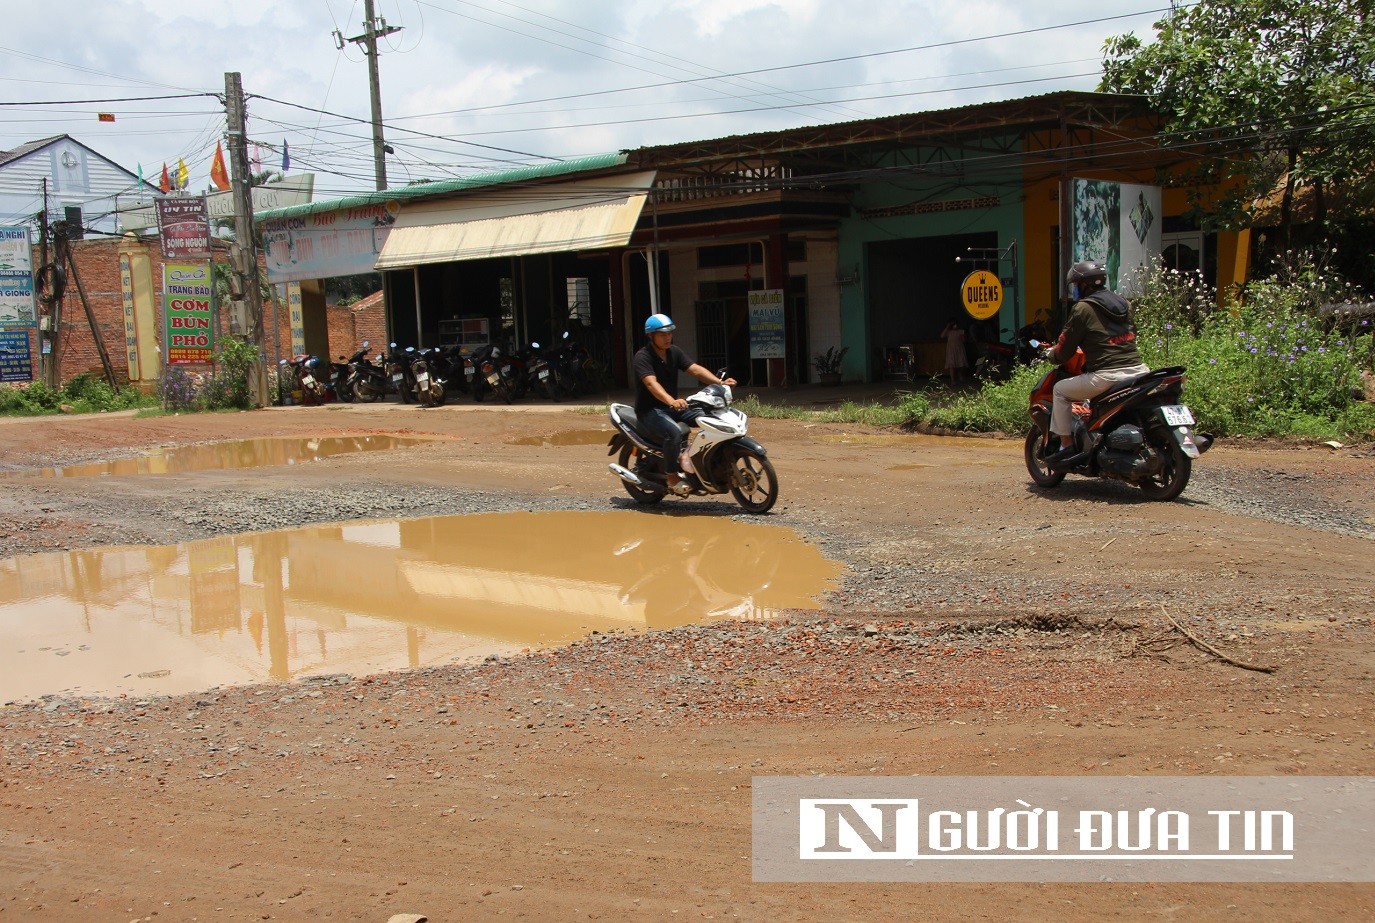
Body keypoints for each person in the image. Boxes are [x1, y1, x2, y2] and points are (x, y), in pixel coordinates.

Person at [1042, 259, 1151, 466]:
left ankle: (1066, 446)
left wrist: (1052, 356)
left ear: (1083, 285)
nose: (1075, 289)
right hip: (1138, 371)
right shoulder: (1122, 303)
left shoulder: (1083, 308)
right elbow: (1131, 333)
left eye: (1075, 285)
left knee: (1060, 390)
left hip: (1107, 376)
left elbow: (1065, 349)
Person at [633, 313, 737, 494]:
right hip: (650, 411)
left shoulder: (674, 352)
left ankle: (688, 455)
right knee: (673, 433)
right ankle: (672, 477)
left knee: (710, 419)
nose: (667, 338)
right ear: (651, 336)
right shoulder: (643, 357)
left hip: (672, 408)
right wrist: (671, 400)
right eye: (662, 334)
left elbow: (695, 370)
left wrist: (719, 383)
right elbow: (651, 383)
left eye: (669, 334)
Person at [941, 316, 968, 386]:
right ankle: (953, 380)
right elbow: (942, 336)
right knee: (952, 365)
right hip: (951, 350)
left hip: (959, 349)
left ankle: (961, 375)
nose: (953, 324)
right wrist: (947, 327)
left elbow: (964, 340)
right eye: (951, 323)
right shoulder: (948, 331)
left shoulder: (960, 331)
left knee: (961, 364)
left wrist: (962, 335)